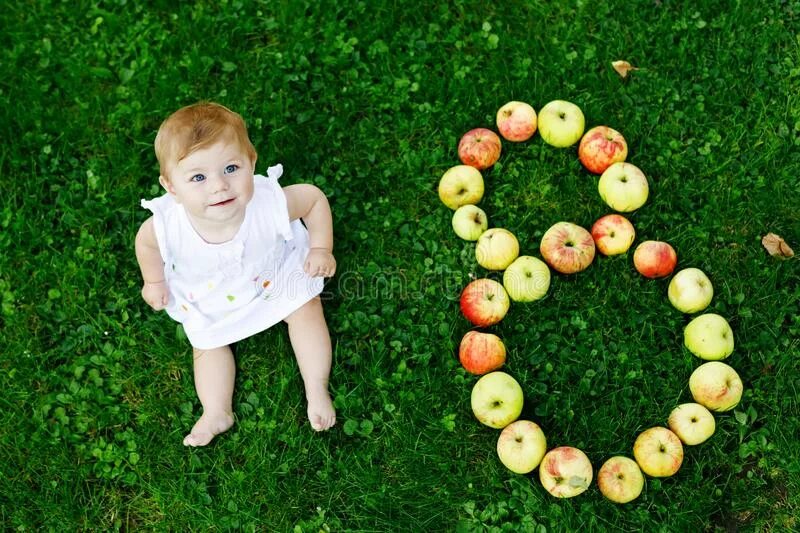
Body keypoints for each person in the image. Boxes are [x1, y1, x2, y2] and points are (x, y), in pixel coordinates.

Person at [135, 102, 337, 446]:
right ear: (171, 187)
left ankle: (316, 388)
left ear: (252, 162)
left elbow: (314, 200)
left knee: (306, 309)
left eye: (231, 168)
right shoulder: (167, 227)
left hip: (272, 272)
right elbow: (147, 246)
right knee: (207, 343)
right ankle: (216, 411)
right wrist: (153, 281)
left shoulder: (268, 205)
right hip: (211, 292)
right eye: (198, 177)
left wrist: (320, 248)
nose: (219, 186)